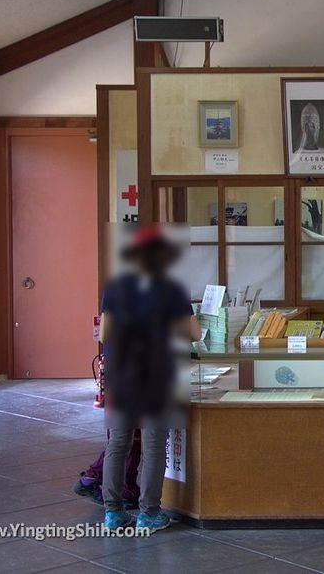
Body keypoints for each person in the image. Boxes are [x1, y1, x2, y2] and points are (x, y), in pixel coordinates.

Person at [99, 225, 200, 533]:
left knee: (119, 443)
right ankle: (149, 513)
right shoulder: (171, 289)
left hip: (121, 374)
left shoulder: (115, 287)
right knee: (155, 445)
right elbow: (193, 333)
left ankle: (113, 513)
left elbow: (104, 334)